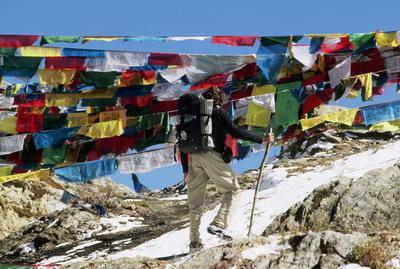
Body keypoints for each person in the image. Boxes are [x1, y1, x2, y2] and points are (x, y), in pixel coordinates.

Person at [180, 86, 274, 252]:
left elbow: (181, 142)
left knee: (195, 205)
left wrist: (185, 169)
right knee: (233, 191)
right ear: (219, 100)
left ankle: (194, 243)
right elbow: (236, 132)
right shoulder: (219, 113)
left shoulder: (192, 116)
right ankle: (219, 224)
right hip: (213, 156)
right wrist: (261, 139)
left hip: (194, 158)